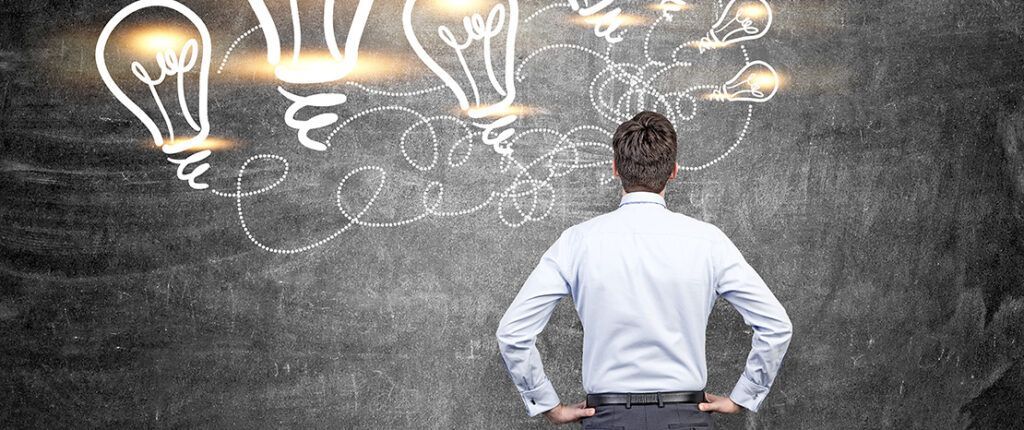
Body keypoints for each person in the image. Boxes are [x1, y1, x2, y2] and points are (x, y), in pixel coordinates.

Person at [495, 111, 794, 429]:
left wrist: (548, 405)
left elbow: (513, 333)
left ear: (615, 169)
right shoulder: (708, 241)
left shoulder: (577, 242)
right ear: (674, 171)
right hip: (686, 419)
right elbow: (776, 326)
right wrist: (744, 396)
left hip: (607, 420)